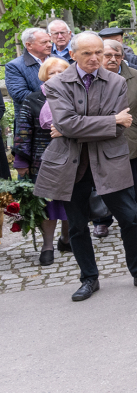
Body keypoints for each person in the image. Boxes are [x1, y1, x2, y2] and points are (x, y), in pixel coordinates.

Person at [33, 31, 137, 301]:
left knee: (129, 219)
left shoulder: (116, 81)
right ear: (72, 55)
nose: (95, 59)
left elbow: (118, 128)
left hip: (111, 160)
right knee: (78, 227)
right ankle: (88, 279)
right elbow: (67, 123)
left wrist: (80, 125)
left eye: (99, 53)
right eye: (87, 54)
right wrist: (107, 120)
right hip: (73, 164)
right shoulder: (58, 84)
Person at [13, 57, 72, 265]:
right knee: (48, 203)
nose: (56, 76)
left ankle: (66, 239)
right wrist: (21, 161)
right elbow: (23, 131)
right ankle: (48, 245)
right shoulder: (33, 99)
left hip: (71, 157)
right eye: (52, 73)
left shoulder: (76, 97)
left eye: (61, 72)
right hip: (42, 160)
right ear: (44, 76)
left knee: (70, 201)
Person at [97, 40, 137, 232]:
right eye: (108, 55)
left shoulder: (135, 76)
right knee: (104, 180)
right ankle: (102, 221)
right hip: (100, 138)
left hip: (129, 138)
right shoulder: (93, 77)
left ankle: (133, 218)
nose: (113, 59)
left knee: (131, 180)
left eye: (118, 55)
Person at [6, 27, 51, 122]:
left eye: (49, 41)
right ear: (29, 45)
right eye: (44, 42)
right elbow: (20, 94)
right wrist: (54, 100)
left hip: (60, 119)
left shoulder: (59, 61)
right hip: (30, 121)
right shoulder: (15, 66)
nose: (49, 45)